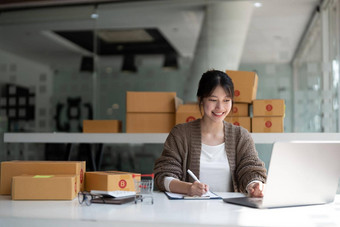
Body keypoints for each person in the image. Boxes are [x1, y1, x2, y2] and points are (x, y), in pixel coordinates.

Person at [154, 69, 267, 197]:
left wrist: (254, 184)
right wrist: (188, 188)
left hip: (230, 212)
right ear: (201, 99)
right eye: (213, 100)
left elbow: (251, 168)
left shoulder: (240, 136)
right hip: (188, 212)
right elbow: (163, 176)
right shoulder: (180, 134)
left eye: (226, 100)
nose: (220, 107)